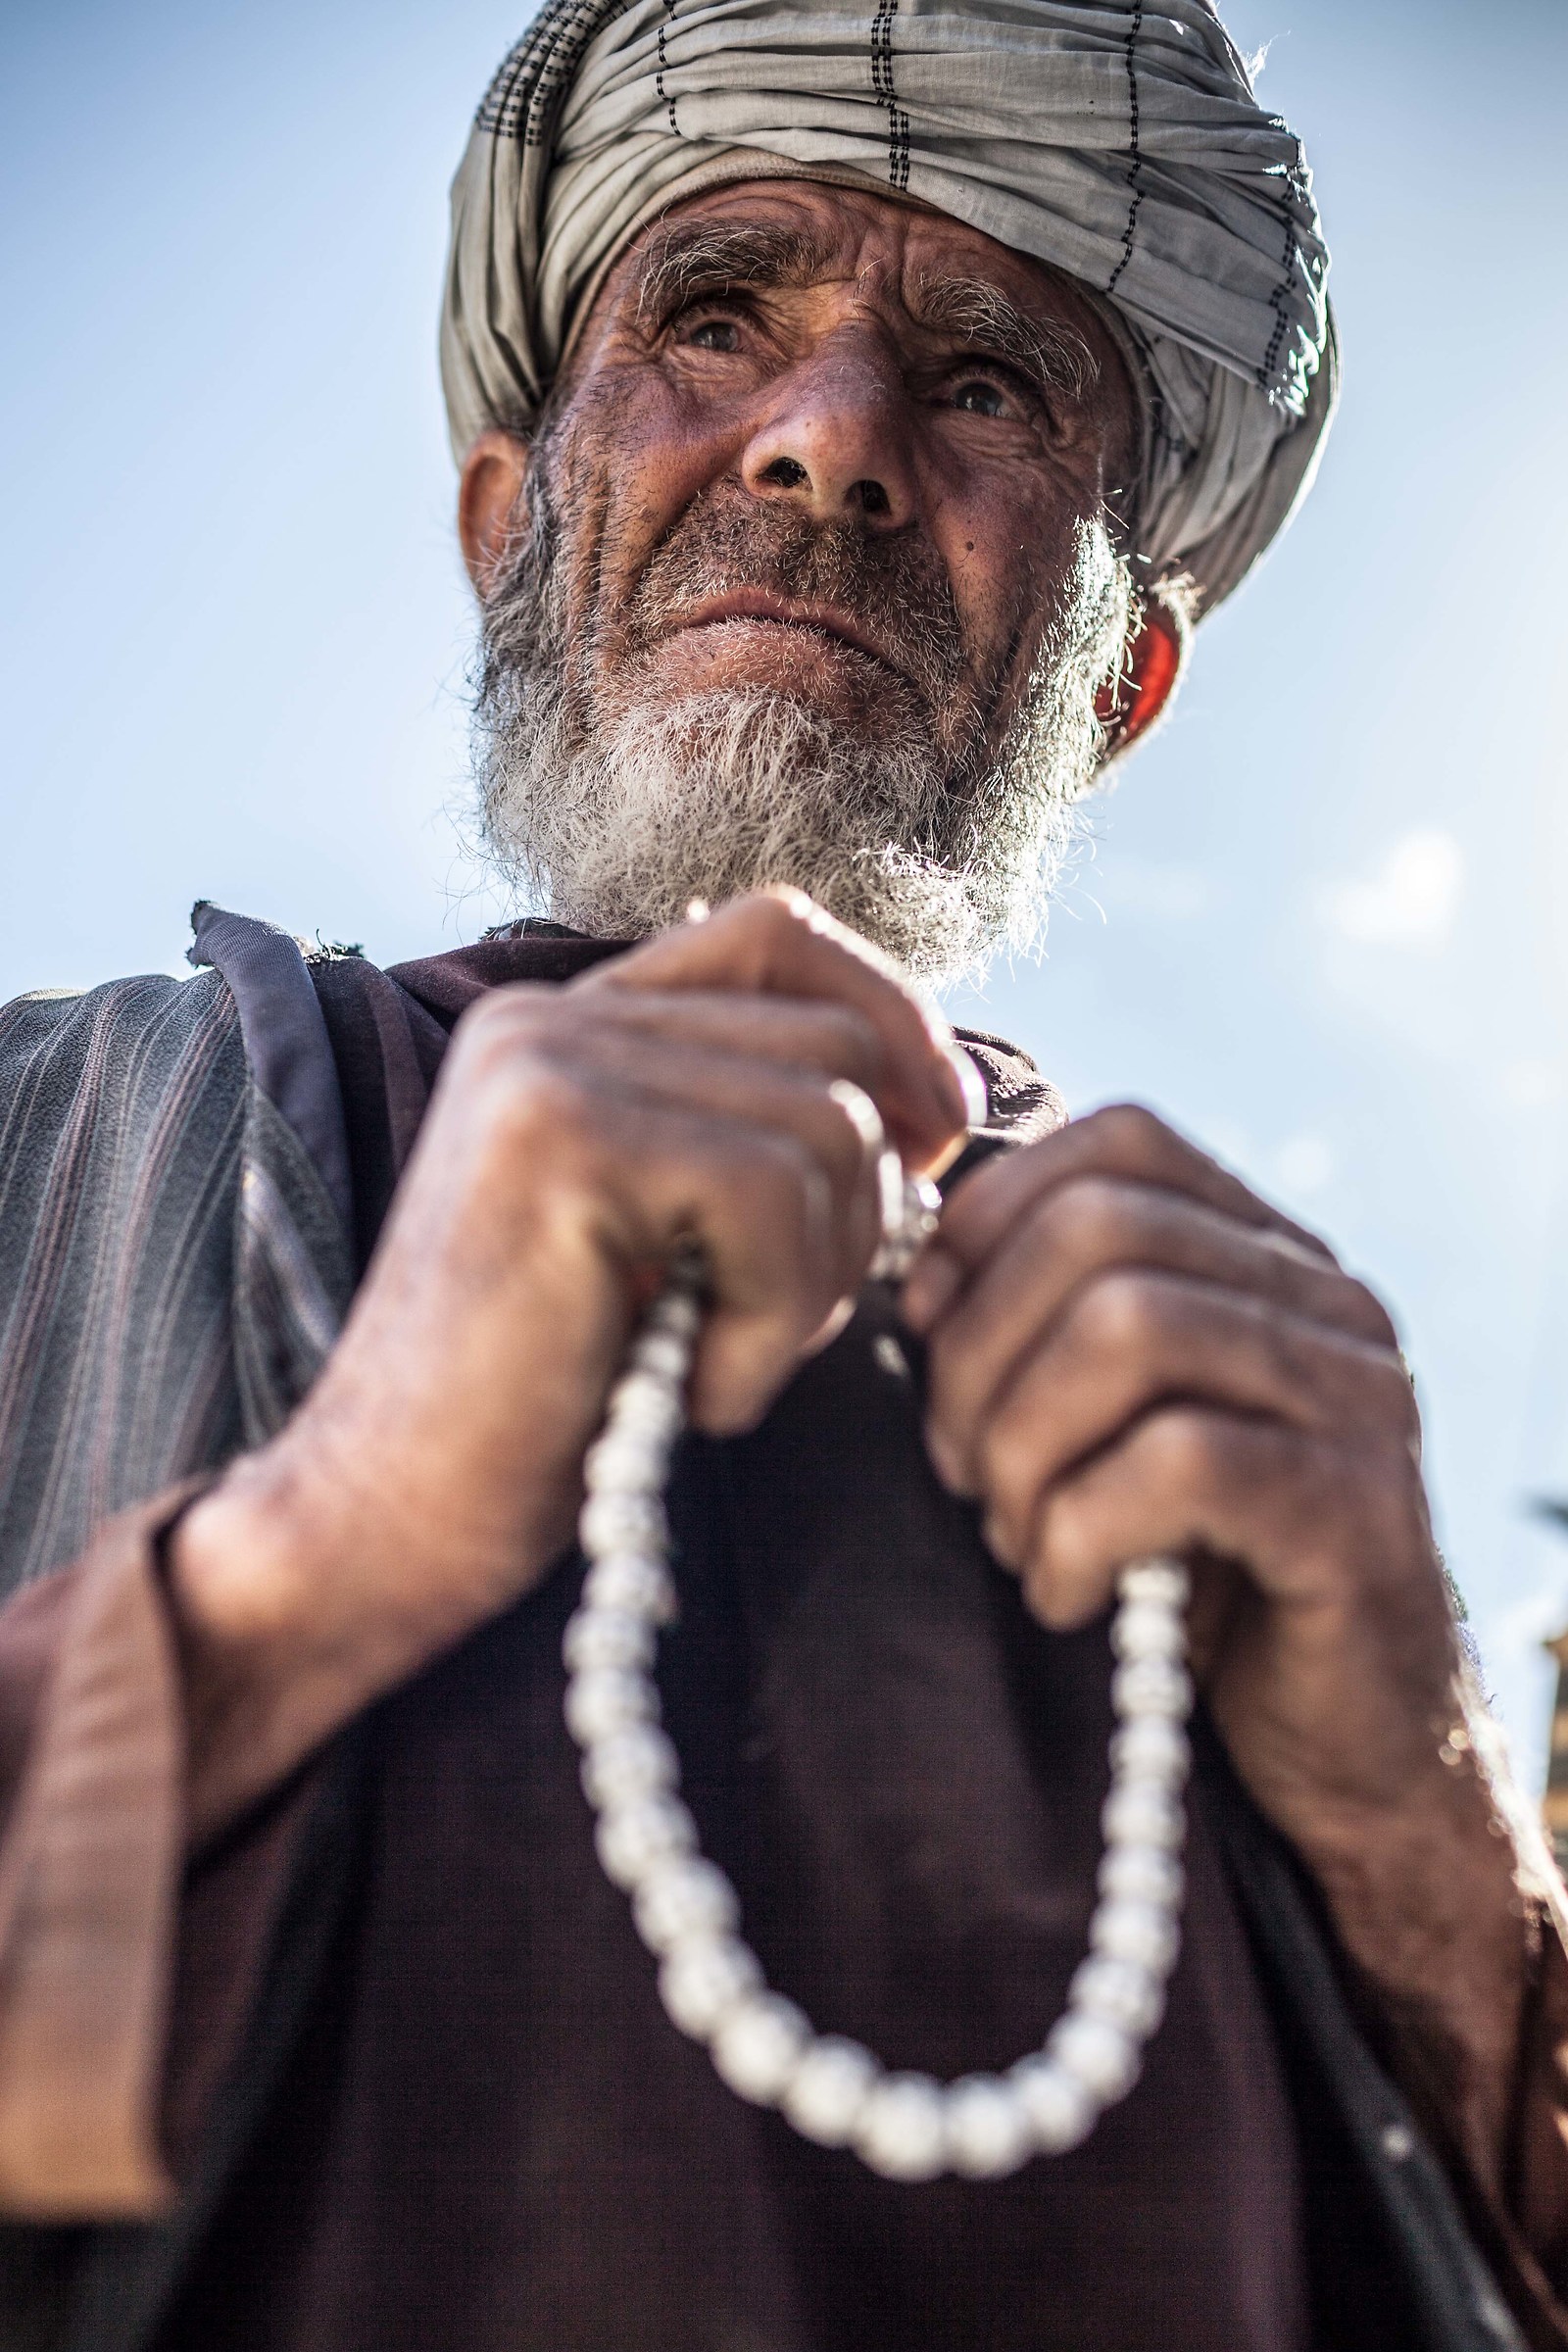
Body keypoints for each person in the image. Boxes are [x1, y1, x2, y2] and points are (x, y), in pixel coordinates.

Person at [0, 3, 1564, 2346]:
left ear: (1117, 676)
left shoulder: (1248, 1403)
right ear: (506, 522)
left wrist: (1421, 1837)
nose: (826, 440)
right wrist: (310, 1562)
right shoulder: (52, 1143)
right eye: (715, 313)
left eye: (986, 381)